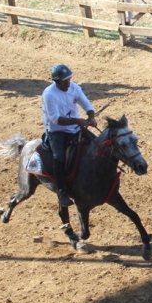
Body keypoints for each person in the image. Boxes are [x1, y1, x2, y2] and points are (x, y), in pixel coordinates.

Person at [41, 64, 96, 206]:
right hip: (57, 131)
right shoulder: (49, 94)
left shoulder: (73, 87)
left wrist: (91, 115)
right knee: (58, 158)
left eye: (69, 79)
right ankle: (62, 192)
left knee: (97, 145)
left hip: (75, 128)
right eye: (65, 81)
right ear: (57, 81)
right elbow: (56, 119)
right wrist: (78, 120)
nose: (68, 83)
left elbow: (85, 102)